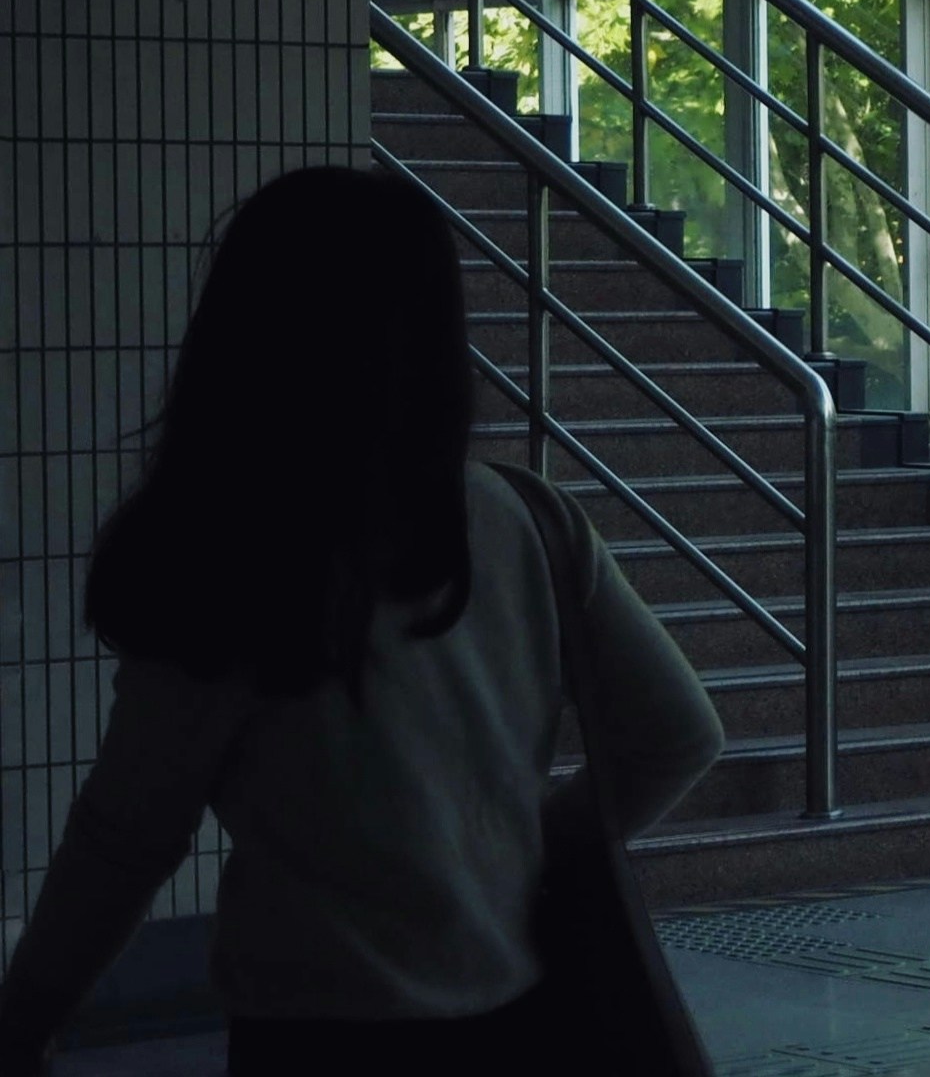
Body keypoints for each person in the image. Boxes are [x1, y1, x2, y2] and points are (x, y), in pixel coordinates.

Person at [0, 165, 725, 1076]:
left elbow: (126, 837)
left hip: (318, 1035)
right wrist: (515, 843)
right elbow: (679, 737)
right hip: (522, 1022)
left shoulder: (230, 560)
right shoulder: (526, 521)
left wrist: (25, 1017)